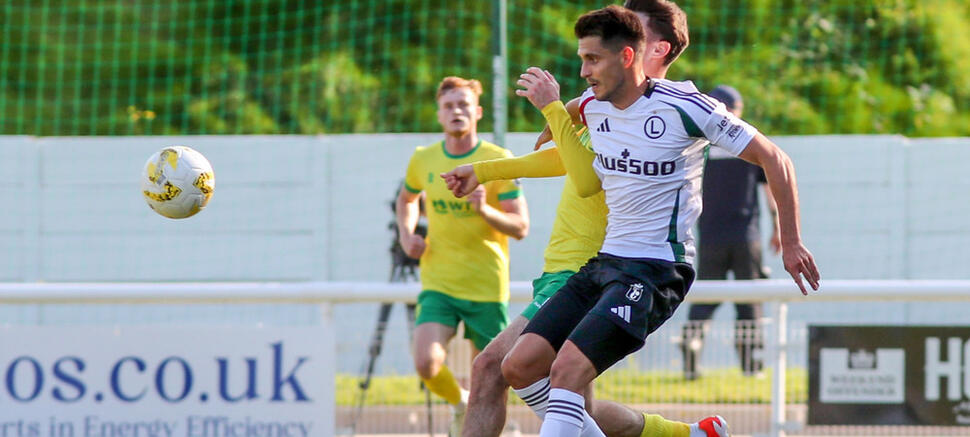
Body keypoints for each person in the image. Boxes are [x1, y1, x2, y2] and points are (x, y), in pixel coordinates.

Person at [500, 6, 820, 437]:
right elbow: (576, 132)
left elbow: (775, 157)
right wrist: (559, 114)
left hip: (656, 271)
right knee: (519, 366)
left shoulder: (687, 108)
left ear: (632, 54)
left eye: (592, 60)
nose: (583, 71)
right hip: (604, 263)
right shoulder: (593, 104)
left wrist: (792, 240)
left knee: (568, 371)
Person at [442, 2, 729, 437]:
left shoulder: (661, 113)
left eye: (637, 31)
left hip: (591, 264)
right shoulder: (602, 103)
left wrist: (558, 112)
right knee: (575, 403)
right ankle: (691, 435)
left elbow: (583, 177)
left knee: (492, 368)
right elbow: (563, 161)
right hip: (566, 265)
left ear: (654, 49)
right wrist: (487, 169)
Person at [396, 76, 529, 436]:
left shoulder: (497, 160)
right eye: (449, 105)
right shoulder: (423, 159)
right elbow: (407, 199)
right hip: (439, 282)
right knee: (426, 362)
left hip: (486, 287)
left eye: (464, 105)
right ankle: (458, 404)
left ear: (478, 112)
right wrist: (407, 234)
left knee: (492, 380)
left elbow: (521, 226)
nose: (457, 111)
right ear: (439, 114)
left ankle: (495, 424)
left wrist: (485, 211)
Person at [680, 85, 780, 380]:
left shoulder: (699, 143)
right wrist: (778, 227)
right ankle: (751, 366)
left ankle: (691, 348)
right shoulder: (748, 140)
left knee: (706, 297)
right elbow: (769, 191)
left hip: (709, 234)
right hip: (745, 235)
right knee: (749, 301)